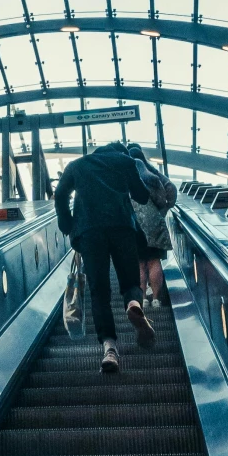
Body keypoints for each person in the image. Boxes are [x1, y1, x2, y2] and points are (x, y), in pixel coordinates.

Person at [53, 142, 172, 375]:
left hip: (89, 232)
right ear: (118, 152)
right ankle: (134, 304)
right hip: (122, 228)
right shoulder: (125, 161)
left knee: (99, 291)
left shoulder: (77, 165)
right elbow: (140, 194)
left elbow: (60, 194)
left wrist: (67, 224)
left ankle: (110, 349)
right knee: (129, 280)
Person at [127, 146, 176, 309]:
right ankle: (156, 299)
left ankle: (142, 299)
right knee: (154, 261)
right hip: (154, 223)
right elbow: (164, 199)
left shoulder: (124, 179)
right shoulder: (153, 178)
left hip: (133, 225)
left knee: (139, 263)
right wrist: (163, 210)